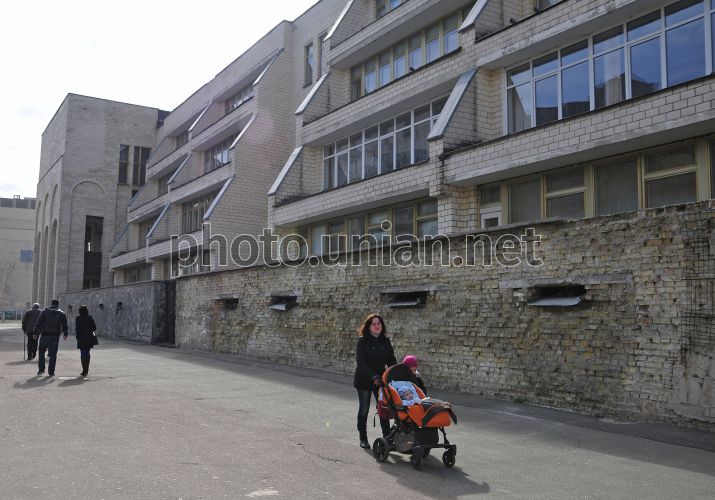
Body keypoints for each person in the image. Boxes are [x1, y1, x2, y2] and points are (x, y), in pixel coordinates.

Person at [354, 313, 396, 449]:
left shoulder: (385, 341)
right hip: (364, 380)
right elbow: (361, 362)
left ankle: (387, 438)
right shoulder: (363, 341)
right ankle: (363, 438)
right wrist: (373, 376)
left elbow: (391, 360)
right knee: (364, 409)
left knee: (384, 409)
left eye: (379, 324)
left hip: (381, 381)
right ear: (369, 326)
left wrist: (396, 372)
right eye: (374, 324)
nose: (377, 326)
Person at [33, 299, 69, 376]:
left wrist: (35, 333)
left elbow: (38, 322)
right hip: (55, 336)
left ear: (51, 304)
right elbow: (65, 325)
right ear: (58, 305)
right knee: (53, 354)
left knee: (41, 352)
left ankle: (41, 369)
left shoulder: (44, 311)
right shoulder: (61, 313)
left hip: (45, 335)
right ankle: (51, 372)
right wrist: (65, 334)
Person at [75, 305, 97, 377]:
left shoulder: (78, 318)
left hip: (81, 338)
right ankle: (86, 369)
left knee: (83, 353)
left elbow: (77, 329)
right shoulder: (90, 318)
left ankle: (84, 370)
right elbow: (94, 328)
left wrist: (77, 337)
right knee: (87, 352)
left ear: (80, 311)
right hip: (89, 337)